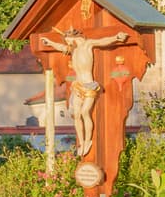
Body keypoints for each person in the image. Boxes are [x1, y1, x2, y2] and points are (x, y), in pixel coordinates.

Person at [36, 25, 130, 159]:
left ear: (73, 37)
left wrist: (116, 37)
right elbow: (62, 48)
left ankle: (87, 140)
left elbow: (103, 41)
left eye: (68, 40)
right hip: (78, 85)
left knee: (85, 112)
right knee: (76, 114)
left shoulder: (87, 45)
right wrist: (50, 43)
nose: (67, 43)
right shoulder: (73, 50)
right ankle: (81, 141)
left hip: (89, 85)